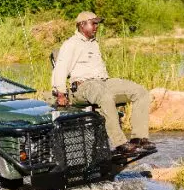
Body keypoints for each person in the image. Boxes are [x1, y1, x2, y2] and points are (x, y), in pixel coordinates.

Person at [52, 11, 155, 155]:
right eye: (93, 23)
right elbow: (60, 69)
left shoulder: (93, 43)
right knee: (105, 97)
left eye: (97, 23)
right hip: (83, 86)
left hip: (103, 82)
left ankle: (138, 138)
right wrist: (61, 93)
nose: (96, 26)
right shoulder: (71, 44)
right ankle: (120, 143)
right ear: (82, 25)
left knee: (140, 92)